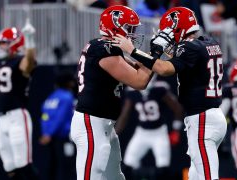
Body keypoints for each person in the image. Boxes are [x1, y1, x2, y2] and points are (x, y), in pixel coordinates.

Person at [113, 6, 228, 180]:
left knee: (207, 176)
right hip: (212, 117)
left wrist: (133, 50)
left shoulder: (190, 48)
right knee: (195, 175)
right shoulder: (209, 42)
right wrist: (165, 50)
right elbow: (186, 57)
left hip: (202, 119)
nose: (168, 35)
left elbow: (165, 69)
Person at [70, 5, 153, 180]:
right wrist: (155, 55)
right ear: (116, 27)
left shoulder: (104, 47)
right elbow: (140, 81)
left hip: (103, 124)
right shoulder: (105, 50)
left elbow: (140, 67)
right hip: (92, 124)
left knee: (115, 177)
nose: (132, 33)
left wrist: (152, 55)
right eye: (129, 28)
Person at [0, 20, 38, 179]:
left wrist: (30, 42)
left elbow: (29, 63)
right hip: (1, 120)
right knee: (10, 168)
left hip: (17, 118)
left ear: (14, 44)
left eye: (3, 43)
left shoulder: (20, 61)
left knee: (24, 165)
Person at [115, 76, 183, 180]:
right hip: (142, 133)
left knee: (163, 169)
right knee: (128, 165)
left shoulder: (159, 88)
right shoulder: (132, 91)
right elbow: (125, 115)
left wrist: (176, 130)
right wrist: (114, 134)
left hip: (159, 132)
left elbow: (178, 109)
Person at [39, 72, 76, 180]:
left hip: (50, 138)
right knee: (67, 166)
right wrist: (49, 134)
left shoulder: (50, 98)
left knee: (52, 166)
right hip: (64, 138)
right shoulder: (67, 97)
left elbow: (44, 117)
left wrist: (46, 133)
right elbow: (60, 118)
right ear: (69, 83)